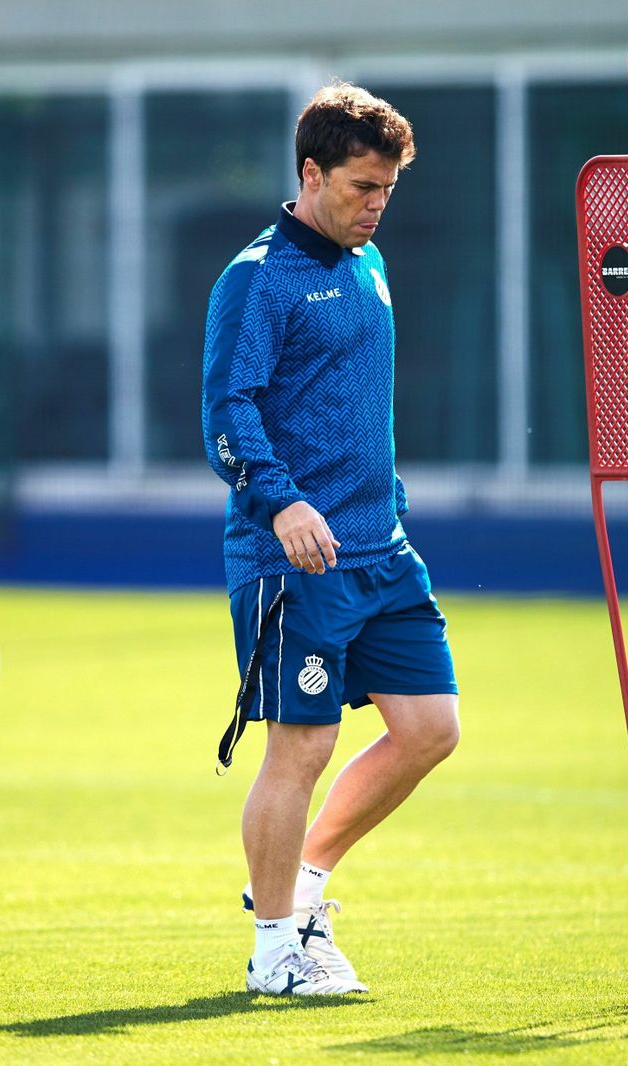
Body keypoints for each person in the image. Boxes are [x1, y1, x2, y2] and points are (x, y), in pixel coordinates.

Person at [201, 83, 460, 996]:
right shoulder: (257, 276)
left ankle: (301, 885)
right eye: (360, 186)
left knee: (432, 730)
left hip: (381, 549)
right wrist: (280, 503)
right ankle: (274, 952)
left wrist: (383, 495)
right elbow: (225, 411)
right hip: (293, 556)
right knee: (300, 747)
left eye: (387, 187)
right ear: (310, 174)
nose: (376, 203)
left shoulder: (370, 262)